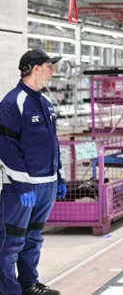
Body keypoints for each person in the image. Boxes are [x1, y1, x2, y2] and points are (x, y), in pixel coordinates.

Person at [0, 49, 66, 295]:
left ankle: (29, 284)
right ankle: (8, 290)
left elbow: (53, 142)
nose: (53, 71)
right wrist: (22, 184)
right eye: (50, 66)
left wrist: (59, 175)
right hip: (21, 187)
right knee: (11, 241)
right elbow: (6, 146)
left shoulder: (46, 102)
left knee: (34, 238)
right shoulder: (12, 102)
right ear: (36, 68)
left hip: (47, 183)